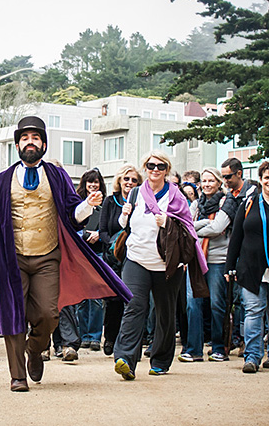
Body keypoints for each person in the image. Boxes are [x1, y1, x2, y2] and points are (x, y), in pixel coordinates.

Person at [0, 116, 131, 392]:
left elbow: (72, 212)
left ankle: (35, 350)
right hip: (11, 258)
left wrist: (88, 206)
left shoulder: (57, 176)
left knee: (48, 314)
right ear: (18, 145)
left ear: (43, 144)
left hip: (47, 256)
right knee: (12, 314)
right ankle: (18, 376)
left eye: (35, 138)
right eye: (24, 138)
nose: (29, 142)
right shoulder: (2, 179)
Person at [114, 150, 208, 380]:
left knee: (165, 313)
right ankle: (125, 358)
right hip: (136, 258)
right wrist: (124, 215)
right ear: (145, 168)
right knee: (134, 306)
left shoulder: (176, 196)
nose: (154, 170)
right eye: (150, 165)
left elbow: (188, 227)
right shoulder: (135, 192)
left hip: (167, 263)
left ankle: (161, 360)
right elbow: (124, 225)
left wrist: (168, 221)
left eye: (160, 166)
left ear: (166, 170)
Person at [179, 168, 238, 363]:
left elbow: (218, 228)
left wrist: (196, 227)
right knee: (192, 305)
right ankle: (194, 349)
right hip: (196, 258)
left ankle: (219, 348)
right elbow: (185, 226)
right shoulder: (196, 203)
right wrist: (203, 225)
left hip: (218, 260)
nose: (206, 184)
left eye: (211, 181)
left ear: (219, 183)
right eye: (203, 181)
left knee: (216, 305)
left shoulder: (226, 202)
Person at [225, 160, 269, 373]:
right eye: (267, 177)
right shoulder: (250, 202)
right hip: (251, 267)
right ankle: (252, 356)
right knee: (253, 311)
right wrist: (229, 266)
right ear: (261, 180)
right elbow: (236, 236)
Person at [99, 164, 142, 356]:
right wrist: (112, 246)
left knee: (132, 300)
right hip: (112, 257)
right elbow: (103, 230)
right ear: (119, 181)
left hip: (134, 255)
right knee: (113, 300)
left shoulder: (141, 201)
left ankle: (129, 343)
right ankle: (110, 338)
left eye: (134, 180)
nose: (130, 183)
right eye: (126, 179)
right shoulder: (110, 201)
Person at [76, 168, 107, 352]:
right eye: (90, 182)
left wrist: (99, 235)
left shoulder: (106, 204)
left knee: (96, 297)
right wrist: (83, 234)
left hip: (98, 252)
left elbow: (109, 228)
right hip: (80, 253)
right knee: (81, 297)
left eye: (96, 182)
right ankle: (82, 335)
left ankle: (95, 336)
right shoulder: (78, 202)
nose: (93, 185)